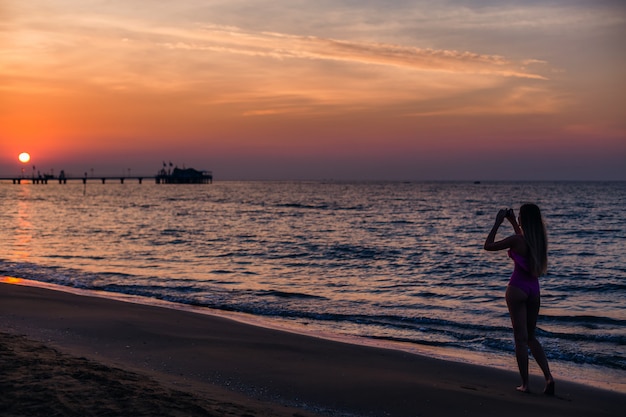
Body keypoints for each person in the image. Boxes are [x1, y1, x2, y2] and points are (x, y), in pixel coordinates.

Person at [484, 203, 555, 395]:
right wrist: (513, 221)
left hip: (517, 288)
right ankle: (548, 377)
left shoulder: (517, 240)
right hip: (534, 291)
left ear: (524, 219)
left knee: (520, 340)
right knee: (531, 337)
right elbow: (522, 238)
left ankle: (525, 384)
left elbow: (488, 246)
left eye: (520, 217)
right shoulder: (539, 240)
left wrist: (498, 222)